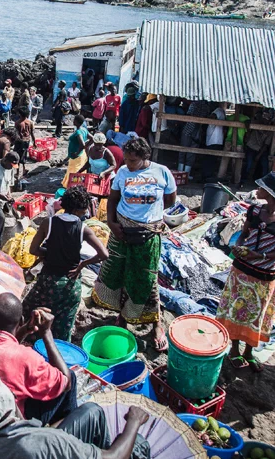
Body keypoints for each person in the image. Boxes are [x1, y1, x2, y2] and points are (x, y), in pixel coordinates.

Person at [0, 293, 74, 458]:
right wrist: (46, 334)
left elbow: (4, 345)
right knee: (71, 377)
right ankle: (61, 441)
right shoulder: (25, 357)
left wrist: (26, 329)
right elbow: (65, 382)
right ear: (21, 319)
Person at [94, 137, 176, 352]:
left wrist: (151, 217)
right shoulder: (122, 173)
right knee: (120, 273)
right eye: (127, 160)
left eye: (133, 161)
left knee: (146, 278)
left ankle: (156, 324)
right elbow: (112, 199)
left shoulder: (161, 172)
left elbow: (170, 200)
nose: (129, 164)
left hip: (147, 234)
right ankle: (123, 317)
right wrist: (112, 223)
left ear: (144, 157)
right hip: (121, 230)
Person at [217, 172, 275, 372]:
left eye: (261, 188)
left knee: (257, 314)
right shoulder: (254, 211)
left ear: (270, 193)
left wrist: (261, 256)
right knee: (237, 309)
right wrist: (239, 246)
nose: (257, 190)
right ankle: (234, 350)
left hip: (264, 274)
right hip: (242, 269)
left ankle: (248, 352)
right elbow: (244, 235)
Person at [0, 374, 150, 459]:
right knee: (137, 444)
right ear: (12, 398)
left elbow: (41, 440)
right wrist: (134, 421)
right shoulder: (45, 443)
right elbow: (115, 458)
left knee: (90, 411)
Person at [22, 188, 109, 341]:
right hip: (70, 284)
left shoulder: (48, 223)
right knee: (64, 324)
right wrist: (82, 264)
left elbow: (34, 249)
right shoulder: (83, 229)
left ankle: (30, 342)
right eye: (84, 209)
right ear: (77, 209)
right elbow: (104, 254)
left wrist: (50, 252)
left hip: (47, 282)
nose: (86, 212)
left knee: (31, 312)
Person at [177, 100, 210, 180]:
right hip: (197, 131)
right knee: (191, 153)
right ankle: (187, 174)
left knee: (182, 151)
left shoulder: (193, 104)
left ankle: (179, 172)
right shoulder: (207, 107)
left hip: (188, 130)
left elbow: (188, 115)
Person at [218, 105, 250, 184]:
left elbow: (225, 126)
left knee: (225, 160)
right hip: (239, 142)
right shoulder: (246, 119)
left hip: (229, 140)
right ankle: (236, 180)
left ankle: (220, 178)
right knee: (239, 162)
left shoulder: (230, 117)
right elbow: (247, 130)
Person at [202, 102, 227, 182]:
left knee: (210, 159)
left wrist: (207, 118)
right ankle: (208, 176)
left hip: (214, 139)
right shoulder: (221, 111)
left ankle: (207, 176)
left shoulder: (218, 111)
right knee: (211, 159)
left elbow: (213, 117)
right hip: (216, 139)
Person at [63, 115, 89, 188]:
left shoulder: (78, 132)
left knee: (74, 172)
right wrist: (86, 146)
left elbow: (82, 144)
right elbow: (92, 138)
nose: (73, 121)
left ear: (77, 122)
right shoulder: (84, 129)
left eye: (74, 120)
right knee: (78, 171)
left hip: (76, 157)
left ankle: (72, 186)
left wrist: (77, 152)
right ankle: (78, 185)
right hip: (82, 155)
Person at [13, 108, 35, 180]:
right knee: (24, 155)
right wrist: (34, 142)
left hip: (19, 141)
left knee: (17, 156)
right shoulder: (30, 122)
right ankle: (24, 170)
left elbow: (15, 133)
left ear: (20, 114)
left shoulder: (17, 123)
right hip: (26, 141)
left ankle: (17, 172)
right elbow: (32, 133)